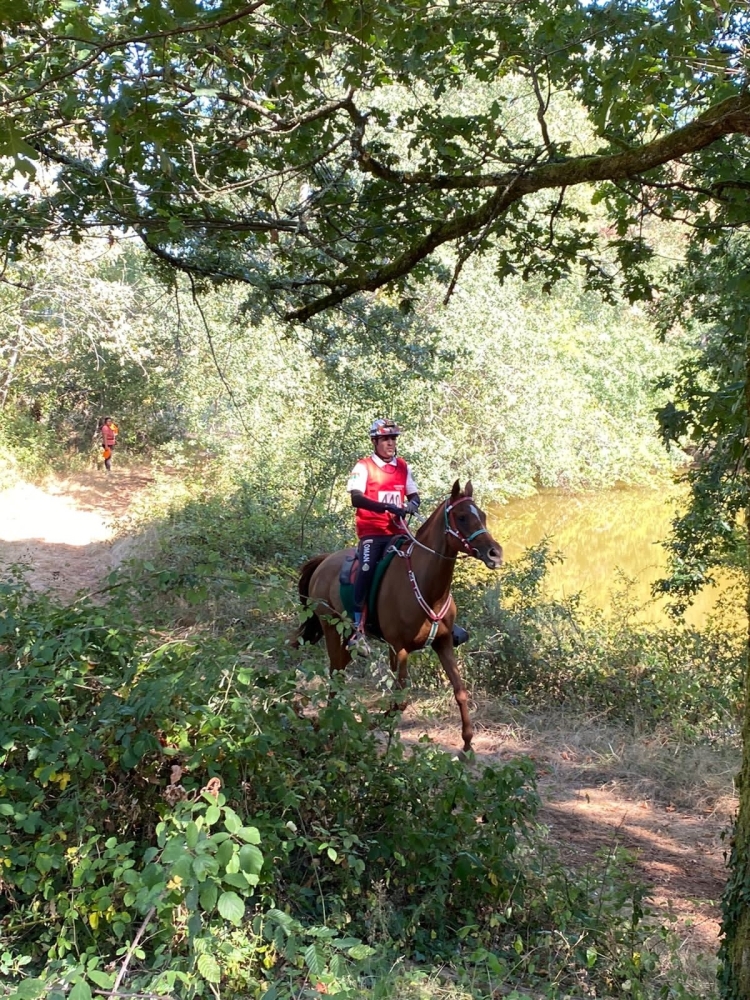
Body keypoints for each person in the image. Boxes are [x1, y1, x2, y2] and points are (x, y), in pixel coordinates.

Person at [346, 418, 469, 654]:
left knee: (429, 564)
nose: (391, 443)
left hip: (399, 531)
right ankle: (358, 627)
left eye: (393, 439)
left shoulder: (403, 466)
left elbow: (414, 495)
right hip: (373, 532)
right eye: (385, 439)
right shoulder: (363, 466)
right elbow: (356, 498)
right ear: (374, 441)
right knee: (366, 569)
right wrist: (386, 507)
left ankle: (444, 619)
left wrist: (412, 504)